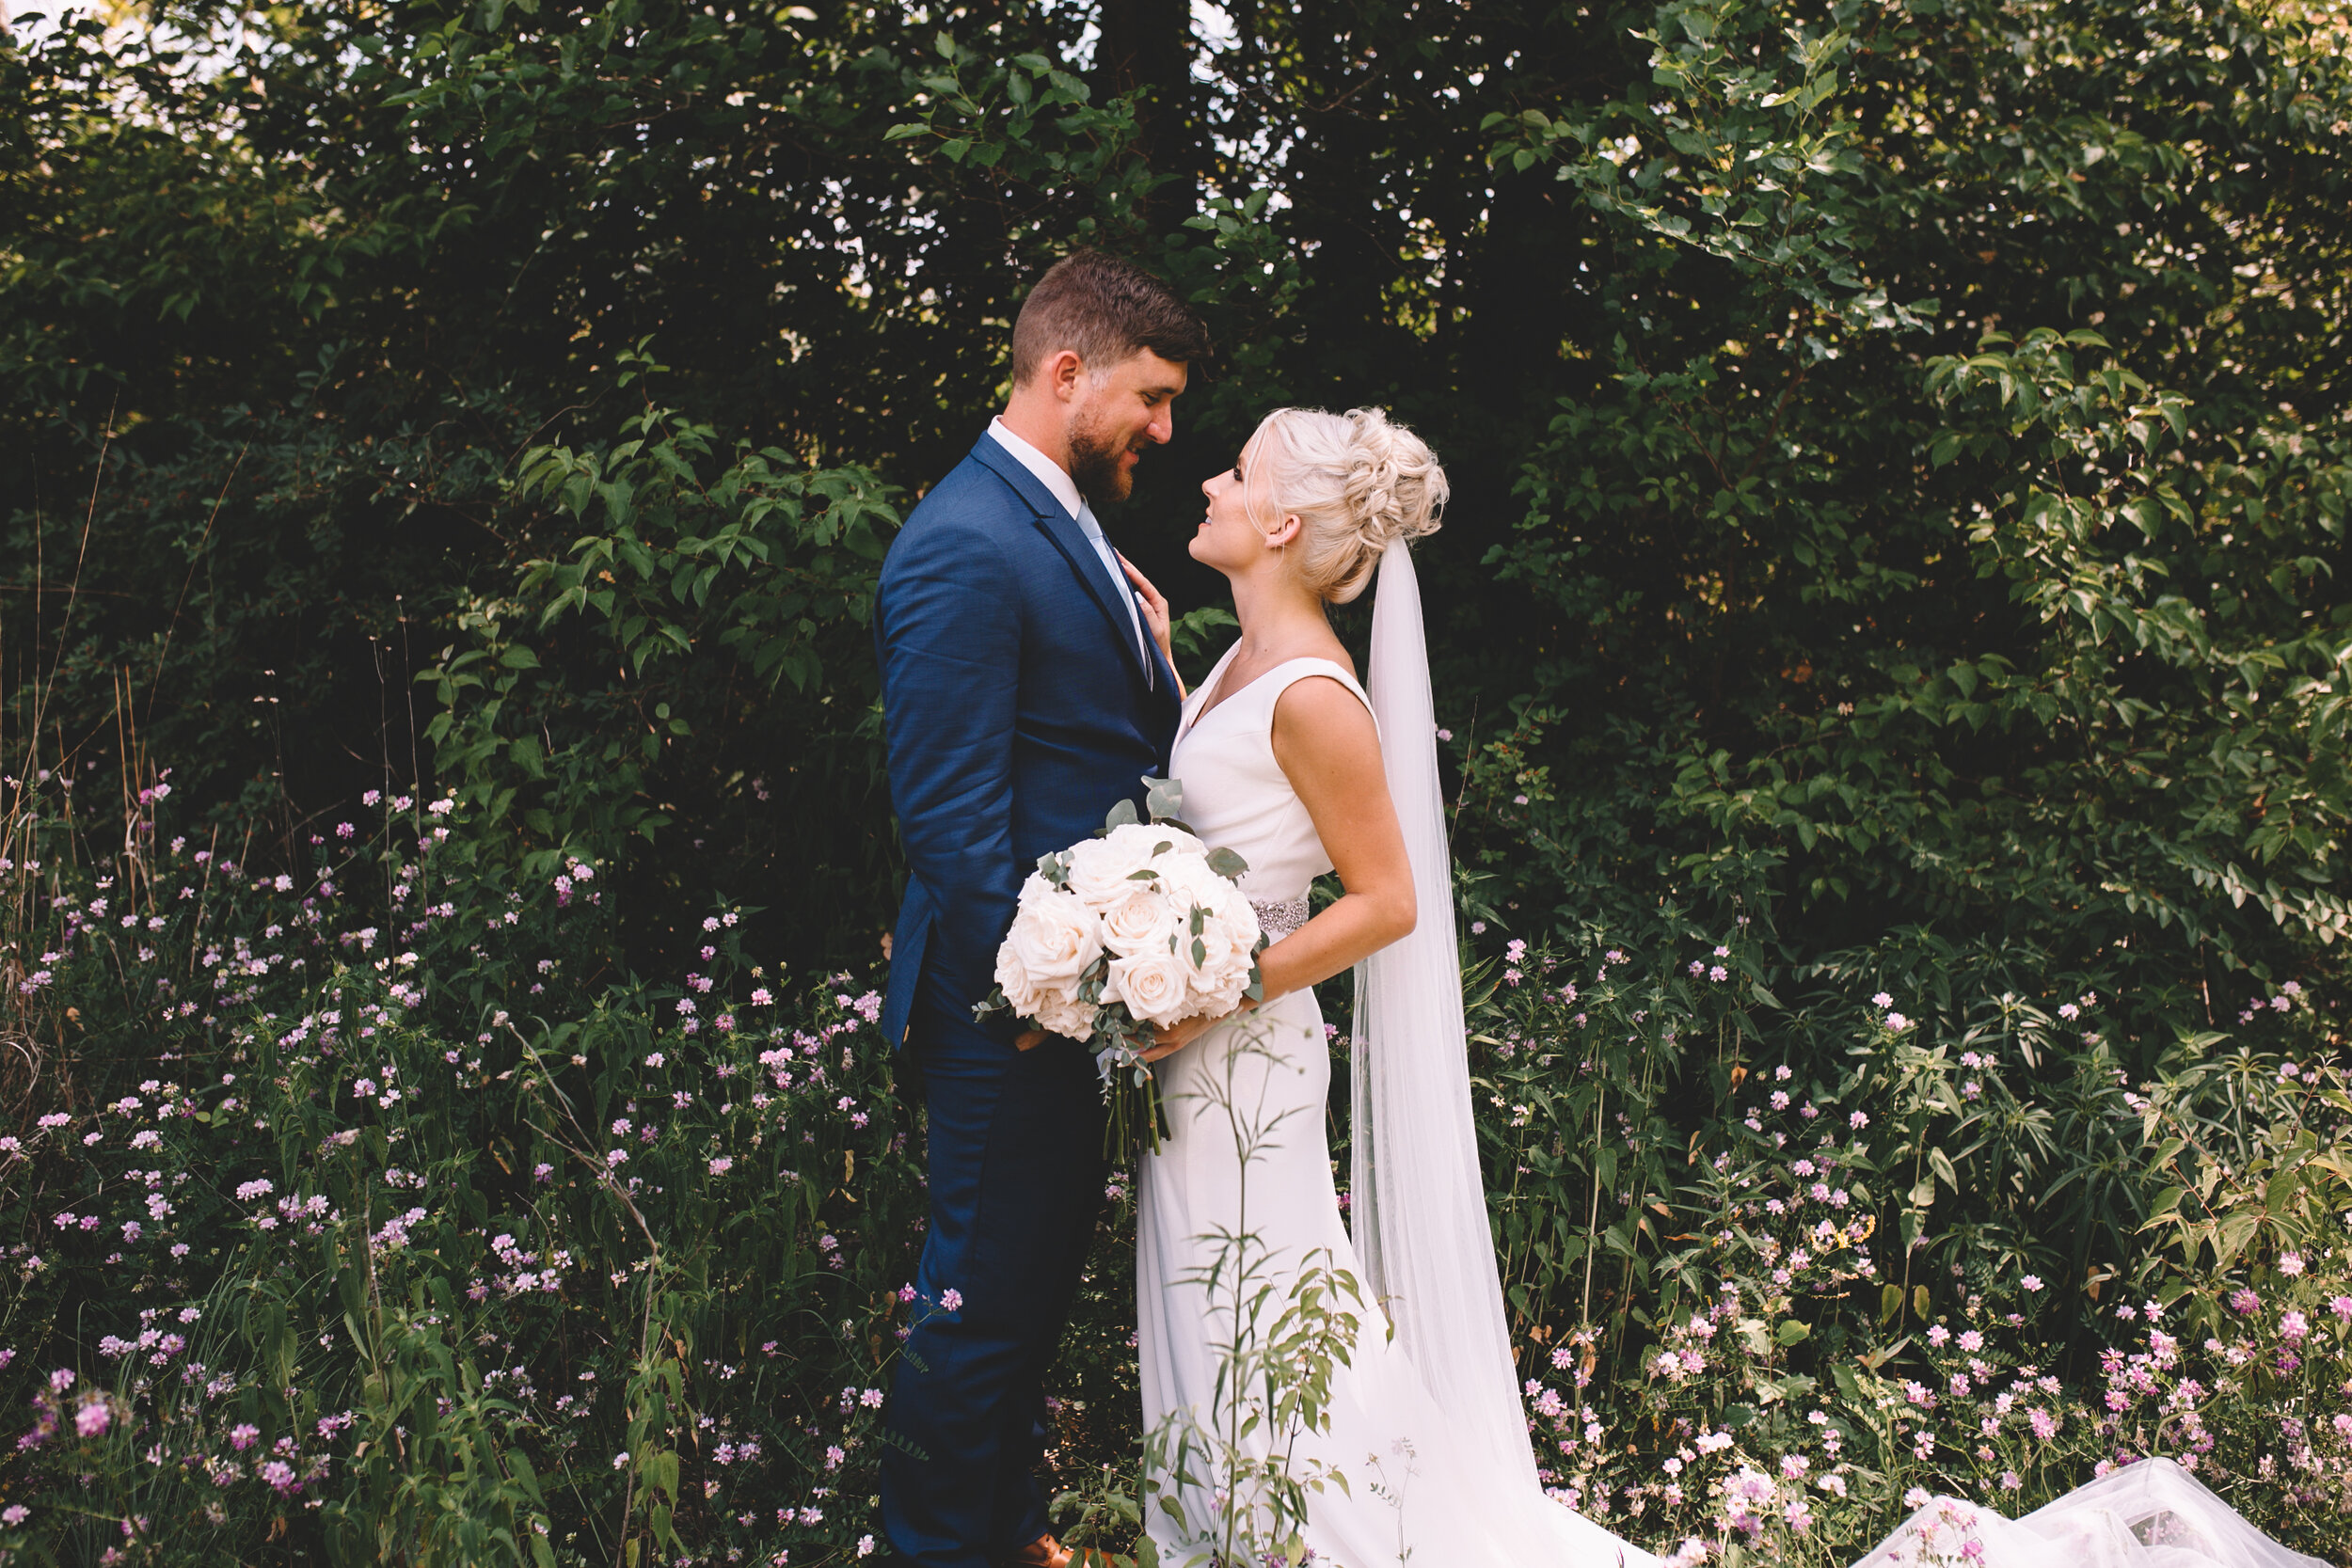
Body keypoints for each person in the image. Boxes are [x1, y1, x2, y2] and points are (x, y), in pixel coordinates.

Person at [1127, 404, 2330, 1568]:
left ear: (1283, 523)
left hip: (1244, 1052)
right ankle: (1244, 1523)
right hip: (1194, 1048)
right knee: (1215, 1292)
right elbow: (1229, 818)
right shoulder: (1236, 659)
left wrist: (1220, 992)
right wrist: (1167, 675)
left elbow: (1387, 901)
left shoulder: (1316, 695)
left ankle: (1336, 1532)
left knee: (1263, 1296)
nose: (1212, 485)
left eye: (1235, 472)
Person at [872, 249, 1209, 1568]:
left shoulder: (1062, 522)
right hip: (1004, 1004)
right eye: (1155, 397)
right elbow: (951, 819)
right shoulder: (963, 541)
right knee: (975, 1310)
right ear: (1068, 372)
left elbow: (1097, 749)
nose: (1168, 431)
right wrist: (1031, 1002)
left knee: (1016, 1297)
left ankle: (1006, 1534)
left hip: (1067, 1000)